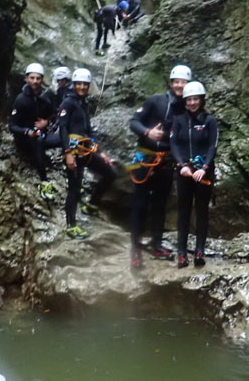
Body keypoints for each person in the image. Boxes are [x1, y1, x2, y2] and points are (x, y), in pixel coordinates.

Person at [127, 65, 191, 268]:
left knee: (160, 205)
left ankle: (156, 244)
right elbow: (134, 122)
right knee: (140, 203)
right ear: (171, 83)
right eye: (177, 82)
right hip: (145, 160)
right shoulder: (155, 101)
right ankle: (135, 249)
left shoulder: (187, 109)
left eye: (184, 82)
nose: (180, 85)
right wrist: (147, 132)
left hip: (166, 163)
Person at [58, 68, 117, 239]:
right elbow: (62, 128)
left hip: (86, 150)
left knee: (110, 173)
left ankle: (91, 204)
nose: (82, 87)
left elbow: (89, 131)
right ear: (74, 84)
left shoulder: (83, 104)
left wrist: (101, 152)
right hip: (73, 151)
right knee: (74, 187)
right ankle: (71, 225)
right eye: (79, 84)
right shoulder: (67, 103)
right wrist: (68, 153)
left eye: (85, 84)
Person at [170, 81, 218, 268]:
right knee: (183, 211)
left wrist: (204, 168)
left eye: (195, 99)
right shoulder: (179, 120)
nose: (192, 103)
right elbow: (174, 144)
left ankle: (199, 251)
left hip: (203, 172)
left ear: (201, 100)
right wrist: (182, 165)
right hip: (184, 172)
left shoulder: (209, 121)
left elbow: (213, 146)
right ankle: (181, 252)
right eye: (189, 99)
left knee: (202, 211)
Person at [8, 63, 58, 200]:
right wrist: (26, 131)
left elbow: (56, 114)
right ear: (26, 79)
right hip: (25, 139)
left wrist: (47, 123)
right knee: (38, 140)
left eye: (38, 78)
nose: (35, 81)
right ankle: (44, 182)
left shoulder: (47, 96)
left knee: (64, 139)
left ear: (42, 80)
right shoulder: (21, 100)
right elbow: (12, 125)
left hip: (42, 133)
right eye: (32, 78)